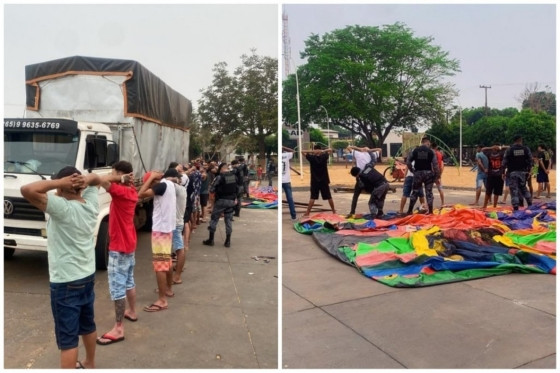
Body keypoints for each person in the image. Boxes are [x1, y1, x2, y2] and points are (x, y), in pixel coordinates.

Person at [21, 166, 101, 369]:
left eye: (59, 184)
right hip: (86, 277)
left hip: (65, 282)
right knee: (88, 325)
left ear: (64, 187)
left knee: (67, 340)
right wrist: (84, 180)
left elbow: (27, 190)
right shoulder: (91, 204)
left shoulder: (61, 207)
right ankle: (90, 364)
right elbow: (97, 179)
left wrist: (58, 183)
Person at [96, 161, 138, 346]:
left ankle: (119, 328)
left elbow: (98, 179)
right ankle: (132, 311)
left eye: (114, 172)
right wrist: (122, 178)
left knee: (117, 287)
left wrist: (118, 178)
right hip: (129, 244)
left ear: (122, 175)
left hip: (119, 247)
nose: (111, 174)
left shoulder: (120, 192)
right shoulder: (132, 192)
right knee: (129, 281)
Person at [138, 169, 178, 312]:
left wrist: (151, 178)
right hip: (168, 229)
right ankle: (168, 289)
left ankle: (162, 300)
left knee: (160, 265)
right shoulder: (170, 184)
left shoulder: (160, 185)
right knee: (166, 261)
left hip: (160, 230)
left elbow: (140, 194)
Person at [203, 162, 237, 247]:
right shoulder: (233, 176)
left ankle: (211, 240)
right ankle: (228, 241)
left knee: (214, 219)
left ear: (221, 169)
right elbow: (237, 189)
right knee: (228, 220)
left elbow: (212, 189)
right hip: (231, 201)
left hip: (221, 200)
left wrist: (213, 198)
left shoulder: (219, 177)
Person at [406, 136, 439, 215]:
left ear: (422, 142)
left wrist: (412, 170)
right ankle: (430, 211)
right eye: (429, 143)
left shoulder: (415, 150)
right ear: (427, 142)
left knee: (415, 192)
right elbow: (435, 165)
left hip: (418, 173)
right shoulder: (431, 152)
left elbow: (408, 162)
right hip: (428, 174)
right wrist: (436, 176)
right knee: (429, 193)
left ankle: (409, 210)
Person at [346, 145, 382, 217]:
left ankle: (352, 212)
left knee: (356, 196)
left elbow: (349, 147)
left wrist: (359, 148)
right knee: (374, 195)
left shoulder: (358, 153)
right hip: (368, 178)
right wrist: (370, 149)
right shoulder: (372, 154)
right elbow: (380, 149)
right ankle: (379, 212)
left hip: (361, 177)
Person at [302, 145, 336, 217]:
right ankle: (334, 211)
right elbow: (330, 150)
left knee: (313, 197)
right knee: (328, 196)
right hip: (324, 180)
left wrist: (314, 151)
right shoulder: (324, 156)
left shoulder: (312, 157)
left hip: (315, 181)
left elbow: (302, 151)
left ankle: (307, 212)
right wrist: (322, 151)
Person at [502, 134, 533, 211]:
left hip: (512, 172)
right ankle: (530, 204)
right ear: (520, 140)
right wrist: (529, 172)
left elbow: (504, 162)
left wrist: (503, 172)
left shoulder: (509, 150)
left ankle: (516, 208)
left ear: (514, 141)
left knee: (514, 190)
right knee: (524, 188)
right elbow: (531, 161)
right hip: (523, 172)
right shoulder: (526, 149)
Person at [171, 167, 187, 285]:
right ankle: (177, 273)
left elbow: (166, 182)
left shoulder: (177, 189)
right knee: (179, 249)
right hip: (178, 222)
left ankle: (177, 276)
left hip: (176, 224)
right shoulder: (182, 189)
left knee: (179, 250)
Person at [481, 144, 508, 209]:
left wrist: (501, 147)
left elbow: (510, 147)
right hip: (491, 174)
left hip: (500, 175)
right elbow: (483, 149)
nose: (495, 148)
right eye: (494, 147)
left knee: (497, 191)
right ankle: (484, 206)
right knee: (488, 190)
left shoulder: (502, 153)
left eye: (496, 147)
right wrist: (491, 147)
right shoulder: (489, 153)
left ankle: (494, 206)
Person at [282, 146, 297, 221]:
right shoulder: (286, 155)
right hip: (286, 181)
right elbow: (293, 150)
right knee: (290, 199)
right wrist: (284, 147)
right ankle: (293, 216)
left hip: (281, 181)